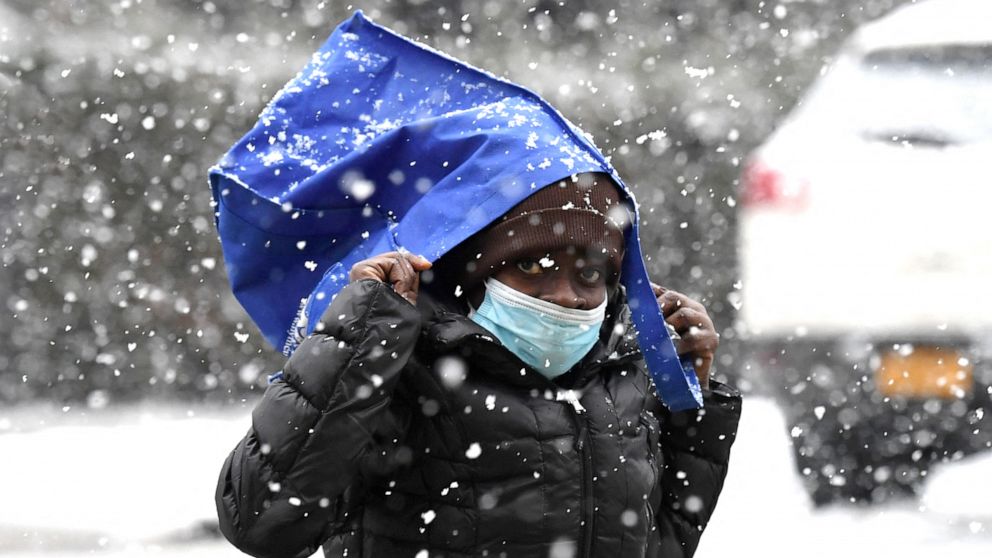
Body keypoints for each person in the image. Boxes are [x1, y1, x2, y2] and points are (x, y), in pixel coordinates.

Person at [211, 12, 740, 558]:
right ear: (473, 274)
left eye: (590, 274)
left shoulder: (622, 386)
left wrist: (689, 408)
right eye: (532, 267)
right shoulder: (404, 376)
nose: (565, 296)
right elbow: (261, 521)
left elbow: (663, 545)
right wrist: (359, 338)